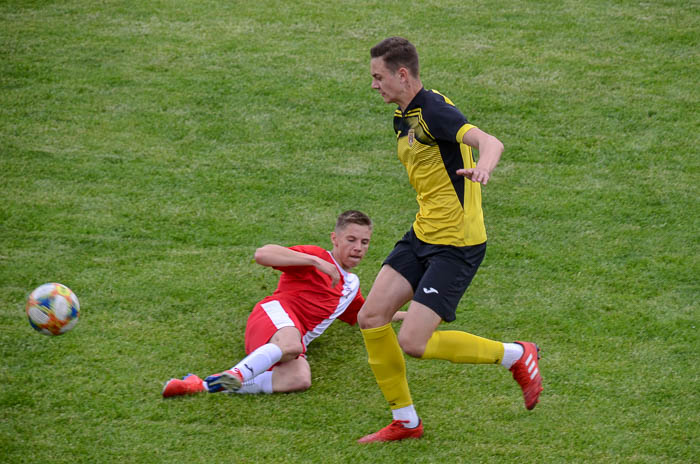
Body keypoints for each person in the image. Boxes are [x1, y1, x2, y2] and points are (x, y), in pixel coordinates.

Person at [356, 37, 542, 443]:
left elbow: (490, 142)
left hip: (456, 245)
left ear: (401, 74)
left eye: (378, 77)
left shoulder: (435, 111)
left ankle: (515, 354)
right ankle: (406, 421)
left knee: (413, 342)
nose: (374, 85)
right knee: (370, 318)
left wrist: (484, 169)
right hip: (423, 233)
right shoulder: (404, 116)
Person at [162, 210, 373, 397]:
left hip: (287, 341)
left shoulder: (352, 284)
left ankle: (201, 386)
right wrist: (315, 261)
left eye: (364, 242)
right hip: (274, 315)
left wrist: (406, 313)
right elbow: (262, 254)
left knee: (299, 379)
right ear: (335, 239)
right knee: (292, 345)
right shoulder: (316, 255)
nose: (358, 248)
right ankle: (236, 373)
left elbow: (367, 313)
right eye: (351, 240)